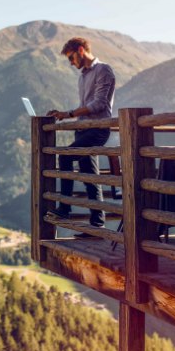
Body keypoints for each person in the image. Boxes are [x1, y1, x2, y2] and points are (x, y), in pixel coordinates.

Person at [46, 37, 116, 237]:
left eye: (71, 57)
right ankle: (97, 226)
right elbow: (87, 108)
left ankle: (65, 209)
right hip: (84, 129)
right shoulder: (83, 77)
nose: (70, 62)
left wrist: (68, 114)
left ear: (80, 50)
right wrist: (71, 119)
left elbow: (99, 105)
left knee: (65, 157)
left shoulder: (104, 70)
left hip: (98, 130)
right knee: (90, 179)